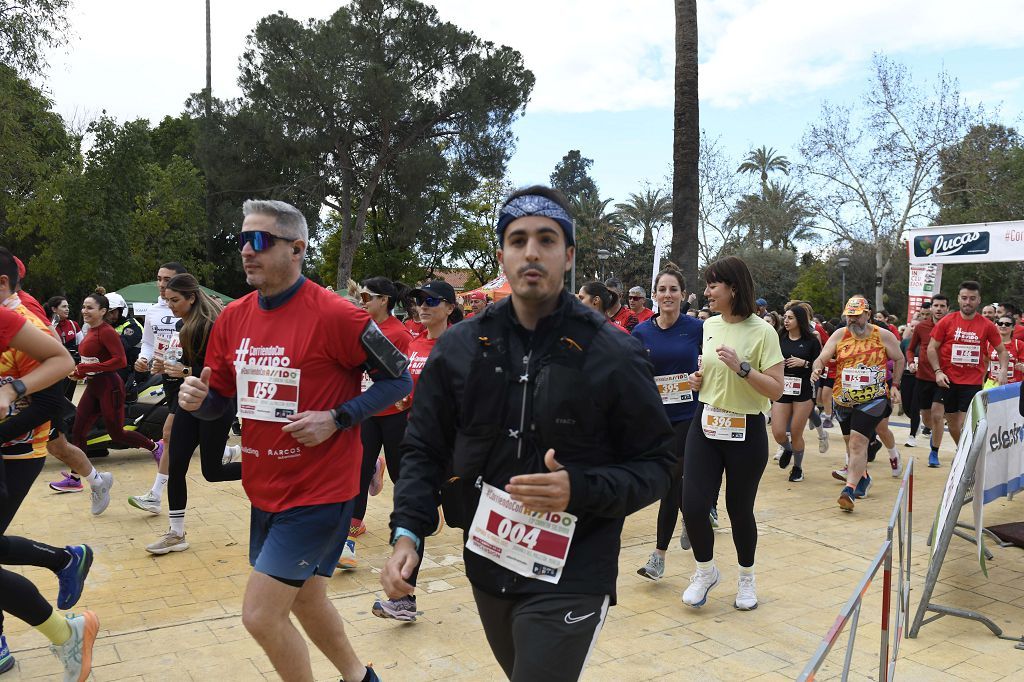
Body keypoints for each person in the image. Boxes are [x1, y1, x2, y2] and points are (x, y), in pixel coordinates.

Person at [383, 186, 674, 681]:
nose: (532, 251)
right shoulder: (458, 347)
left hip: (575, 569)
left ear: (569, 255)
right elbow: (424, 447)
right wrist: (407, 532)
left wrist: (578, 489)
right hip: (489, 560)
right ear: (503, 255)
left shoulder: (614, 354)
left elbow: (660, 465)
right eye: (518, 240)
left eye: (547, 238)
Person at [178, 199, 411, 682]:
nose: (246, 250)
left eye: (260, 241)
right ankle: (360, 677)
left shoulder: (337, 315)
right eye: (243, 239)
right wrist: (200, 400)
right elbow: (221, 400)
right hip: (265, 489)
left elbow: (399, 380)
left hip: (320, 492)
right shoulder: (233, 318)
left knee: (261, 615)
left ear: (297, 248)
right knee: (305, 596)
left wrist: (338, 417)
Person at [0, 259, 98, 681]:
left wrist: (12, 390)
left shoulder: (17, 321)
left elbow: (53, 393)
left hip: (19, 452)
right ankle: (63, 561)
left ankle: (63, 631)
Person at [680, 256, 783, 611]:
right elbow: (708, 371)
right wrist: (698, 380)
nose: (706, 292)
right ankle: (705, 571)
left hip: (746, 429)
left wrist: (742, 369)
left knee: (739, 511)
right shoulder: (708, 326)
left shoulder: (763, 331)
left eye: (712, 286)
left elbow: (776, 390)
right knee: (692, 506)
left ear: (733, 288)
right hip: (706, 422)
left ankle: (746, 578)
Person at [369, 279, 461, 620]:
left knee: (471, 519)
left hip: (458, 450)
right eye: (419, 300)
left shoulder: (461, 344)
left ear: (450, 308)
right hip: (424, 446)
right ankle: (404, 600)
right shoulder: (416, 343)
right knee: (415, 514)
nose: (423, 305)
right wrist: (407, 398)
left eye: (432, 300)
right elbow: (408, 384)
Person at [144, 274, 242, 554]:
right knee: (176, 464)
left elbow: (223, 373)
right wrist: (165, 366)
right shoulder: (182, 323)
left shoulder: (212, 326)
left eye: (175, 300)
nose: (170, 305)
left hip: (217, 404)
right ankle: (176, 534)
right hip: (189, 402)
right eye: (166, 299)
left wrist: (185, 371)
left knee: (212, 472)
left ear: (191, 298)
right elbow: (190, 365)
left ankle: (265, 468)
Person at [338, 277, 415, 571]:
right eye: (362, 296)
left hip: (396, 417)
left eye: (368, 297)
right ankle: (349, 539)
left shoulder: (400, 333)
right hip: (367, 414)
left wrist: (406, 399)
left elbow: (408, 376)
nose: (363, 301)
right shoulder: (362, 329)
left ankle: (418, 515)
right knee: (355, 472)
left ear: (385, 300)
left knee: (400, 474)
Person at [632, 269, 702, 580]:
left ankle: (658, 557)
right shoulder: (642, 333)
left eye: (673, 289)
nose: (668, 294)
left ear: (682, 293)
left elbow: (712, 363)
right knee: (673, 481)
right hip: (656, 420)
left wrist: (700, 378)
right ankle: (691, 514)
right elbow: (634, 374)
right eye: (662, 289)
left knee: (669, 482)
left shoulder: (698, 328)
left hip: (689, 417)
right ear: (655, 295)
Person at [812, 296, 904, 512]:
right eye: (849, 316)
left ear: (867, 314)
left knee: (857, 443)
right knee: (850, 443)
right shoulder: (839, 334)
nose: (853, 320)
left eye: (857, 316)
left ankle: (849, 490)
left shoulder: (882, 335)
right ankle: (863, 478)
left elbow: (899, 358)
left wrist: (895, 384)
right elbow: (822, 357)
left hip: (873, 399)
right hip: (843, 399)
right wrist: (817, 367)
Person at [70, 292, 164, 460]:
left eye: (90, 307)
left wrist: (86, 368)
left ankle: (156, 447)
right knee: (78, 430)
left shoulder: (114, 330)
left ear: (102, 311)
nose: (84, 310)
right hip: (94, 385)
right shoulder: (92, 330)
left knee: (117, 433)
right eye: (83, 307)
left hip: (115, 383)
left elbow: (120, 360)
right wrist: (81, 371)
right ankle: (77, 477)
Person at [128, 262, 187, 514]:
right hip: (169, 380)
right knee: (173, 436)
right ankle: (226, 451)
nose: (162, 284)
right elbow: (149, 345)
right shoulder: (152, 312)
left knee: (169, 433)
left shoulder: (189, 307)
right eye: (159, 279)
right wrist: (144, 360)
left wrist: (185, 367)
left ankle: (156, 495)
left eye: (168, 279)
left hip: (190, 378)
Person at [927, 281, 1007, 454]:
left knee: (965, 423)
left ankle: (966, 456)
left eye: (972, 298)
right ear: (958, 299)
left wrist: (1002, 371)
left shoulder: (986, 325)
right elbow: (932, 348)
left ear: (979, 300)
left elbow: (1002, 351)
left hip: (972, 382)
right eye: (964, 298)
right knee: (954, 424)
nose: (968, 302)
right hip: (947, 380)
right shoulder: (947, 321)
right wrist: (938, 372)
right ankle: (962, 452)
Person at [772, 305, 822, 483]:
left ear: (800, 320)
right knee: (778, 432)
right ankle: (788, 449)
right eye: (785, 317)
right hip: (782, 389)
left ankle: (797, 468)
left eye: (790, 318)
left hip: (803, 391)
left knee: (795, 432)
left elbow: (819, 365)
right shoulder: (779, 338)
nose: (786, 320)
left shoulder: (812, 341)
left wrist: (805, 364)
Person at [908, 294, 948, 467]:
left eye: (942, 306)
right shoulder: (922, 327)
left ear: (947, 308)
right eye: (936, 305)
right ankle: (933, 432)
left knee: (938, 415)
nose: (939, 309)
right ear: (931, 308)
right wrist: (910, 362)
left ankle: (934, 452)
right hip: (923, 377)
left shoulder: (952, 327)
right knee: (926, 417)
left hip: (944, 378)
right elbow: (910, 349)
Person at [44, 296, 80, 400]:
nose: (67, 309)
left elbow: (82, 345)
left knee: (68, 398)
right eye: (64, 306)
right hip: (52, 369)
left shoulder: (74, 325)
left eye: (68, 306)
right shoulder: (46, 325)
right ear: (54, 309)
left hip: (71, 369)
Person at [104, 292, 142, 388]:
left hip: (133, 371)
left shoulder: (132, 325)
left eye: (112, 312)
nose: (109, 316)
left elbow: (121, 346)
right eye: (106, 313)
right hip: (116, 368)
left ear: (121, 310)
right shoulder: (107, 326)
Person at [990, 314, 1024, 385]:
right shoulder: (989, 343)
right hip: (992, 383)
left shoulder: (1019, 344)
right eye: (1000, 323)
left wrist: (1022, 367)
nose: (1003, 326)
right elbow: (984, 362)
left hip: (1013, 385)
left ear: (1013, 328)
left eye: (1007, 324)